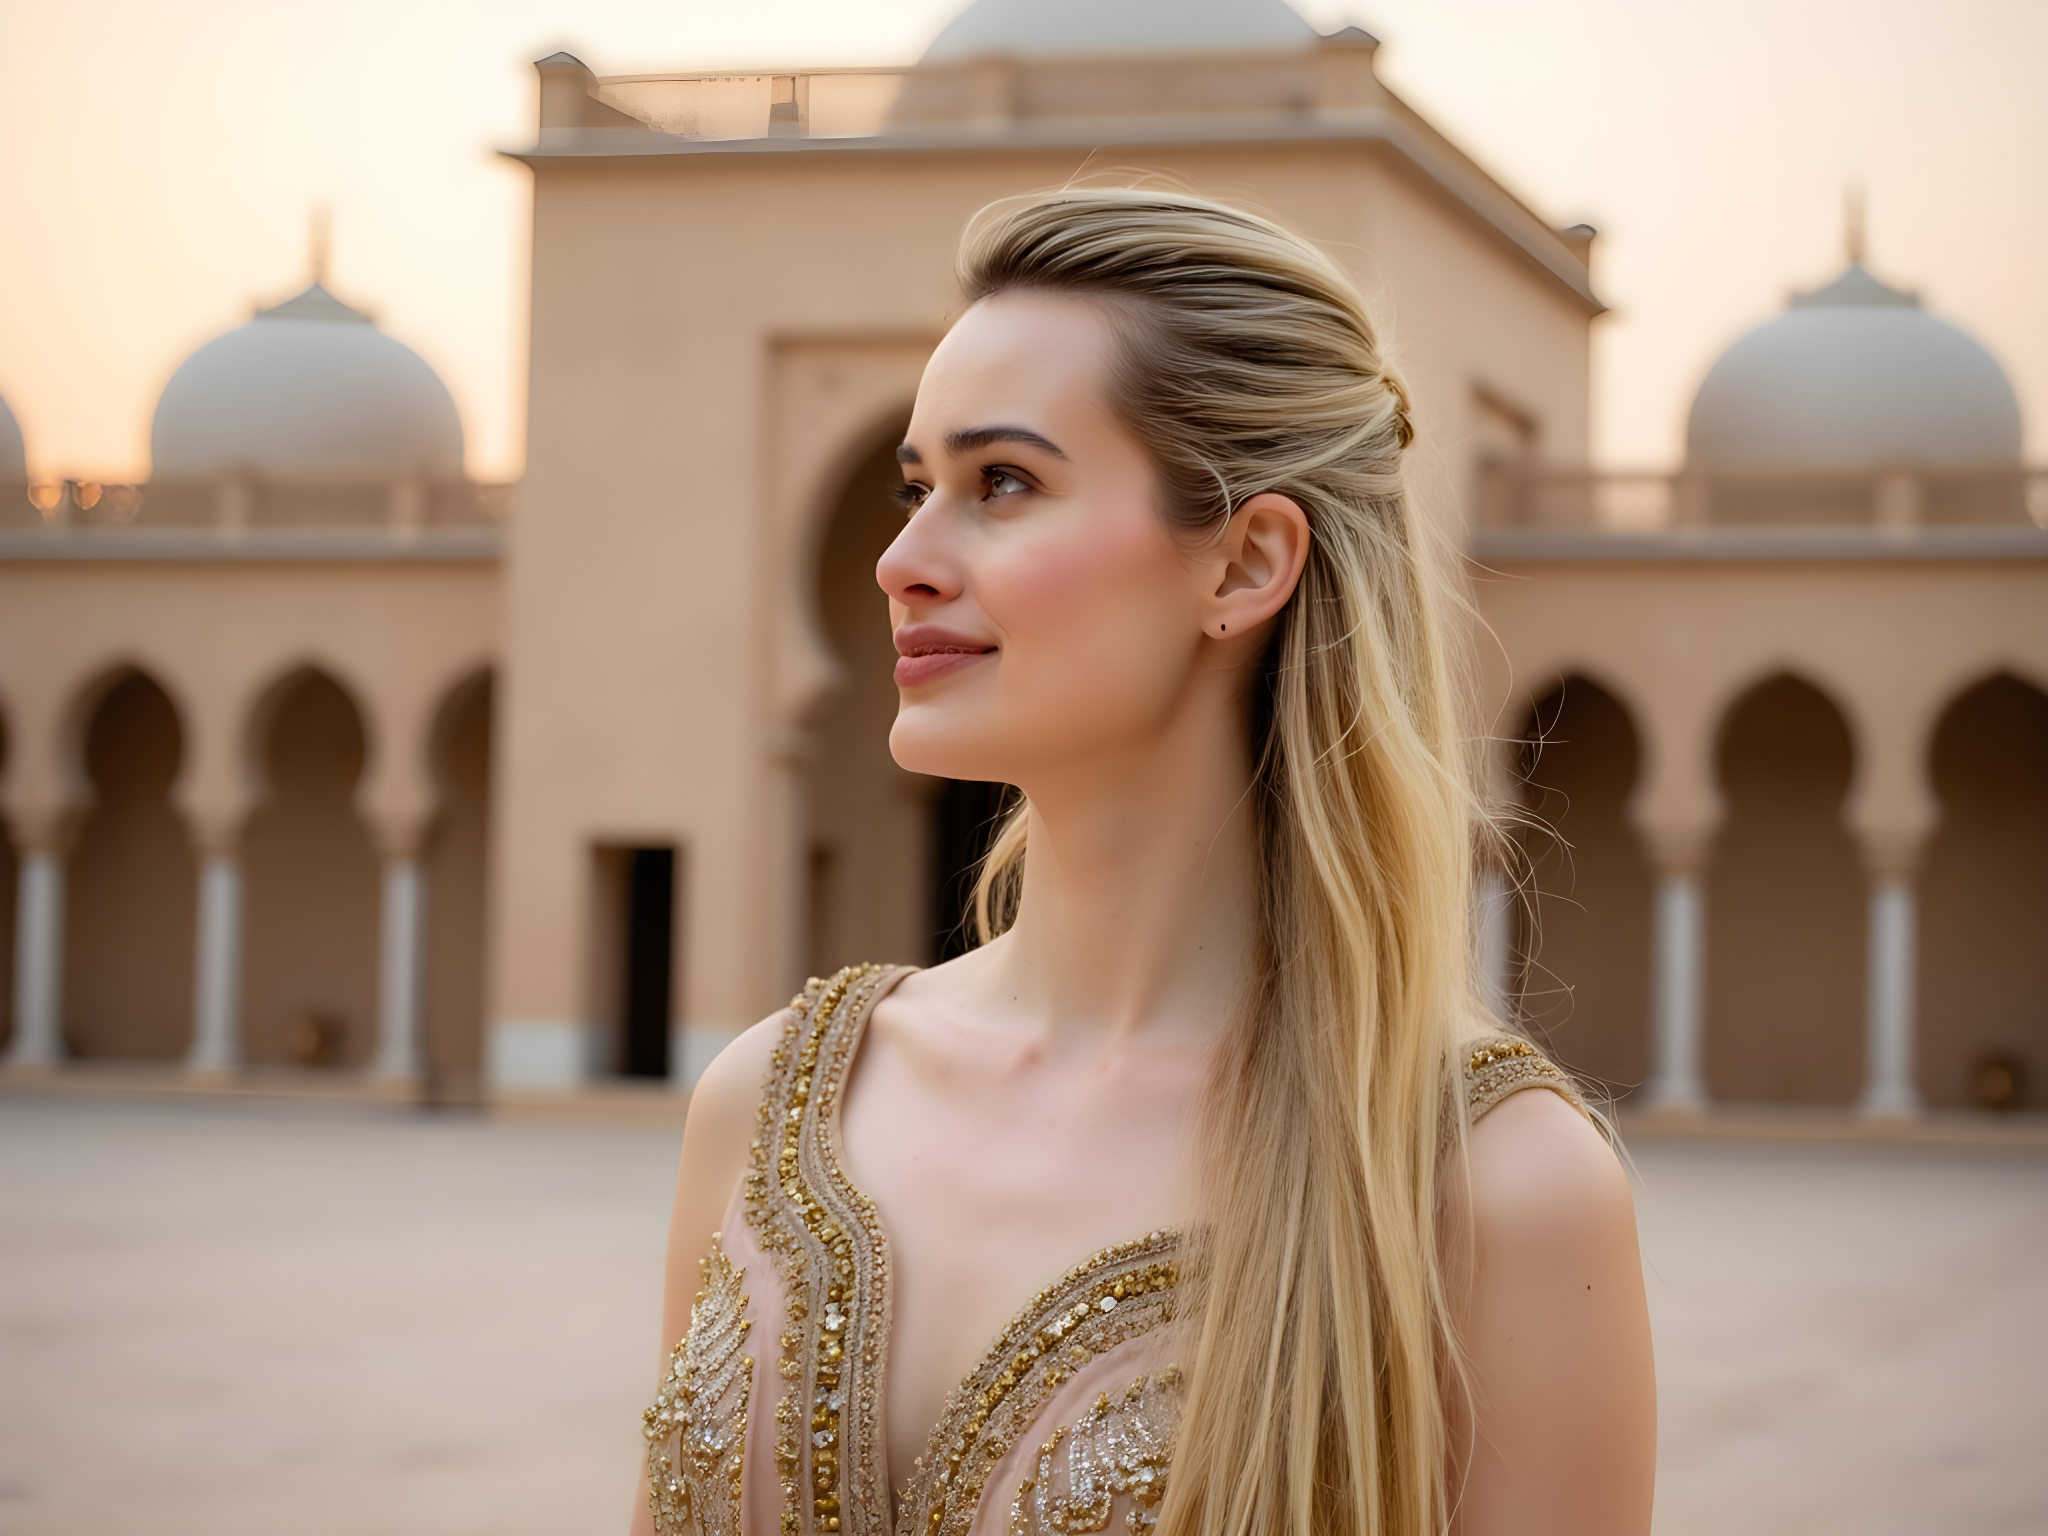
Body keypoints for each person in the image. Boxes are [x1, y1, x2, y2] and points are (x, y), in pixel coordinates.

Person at [634, 189, 1655, 1536]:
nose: (901, 561)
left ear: (1244, 561)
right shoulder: (766, 1104)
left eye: (1002, 483)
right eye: (914, 486)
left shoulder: (1488, 1194)